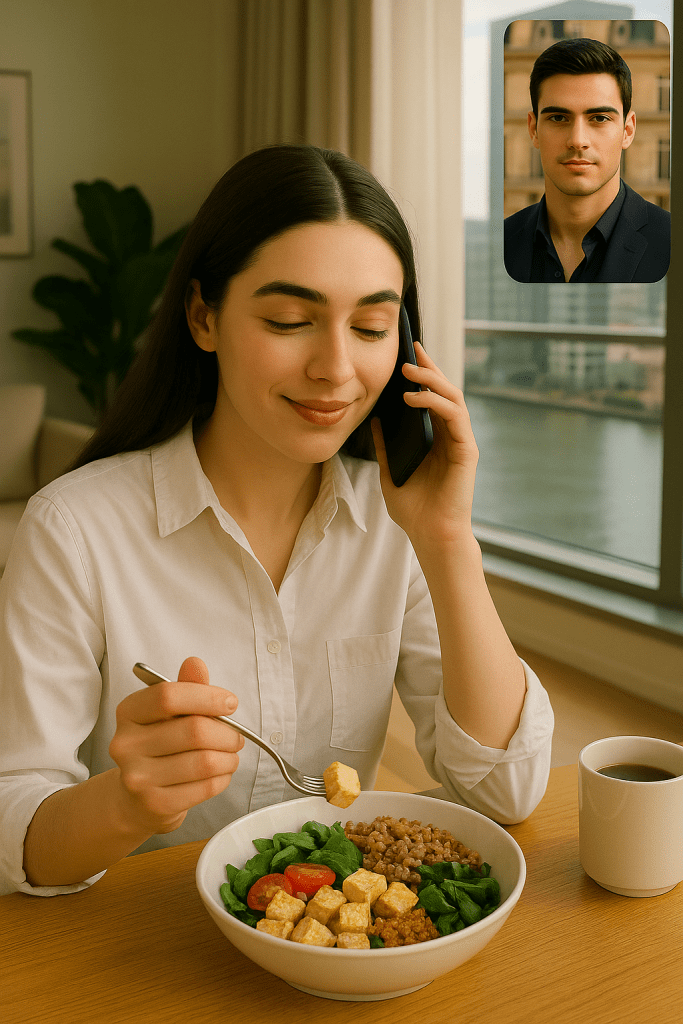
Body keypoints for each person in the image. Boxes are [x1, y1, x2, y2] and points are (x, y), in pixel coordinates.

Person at [0, 145, 553, 896]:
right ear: (203, 316)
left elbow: (505, 790)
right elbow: (13, 834)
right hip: (136, 949)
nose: (335, 368)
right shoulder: (73, 528)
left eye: (369, 328)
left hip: (331, 948)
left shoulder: (397, 524)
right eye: (291, 320)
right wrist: (125, 803)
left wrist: (446, 537)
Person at [504, 37, 670, 283]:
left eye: (600, 118)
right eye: (559, 118)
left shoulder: (672, 239)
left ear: (628, 130)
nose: (578, 140)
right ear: (533, 129)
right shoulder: (505, 238)